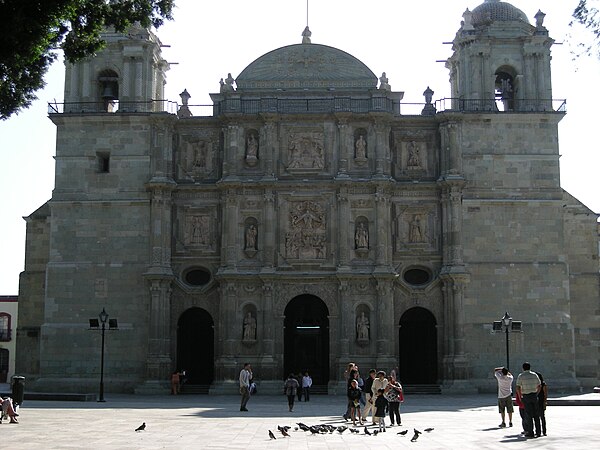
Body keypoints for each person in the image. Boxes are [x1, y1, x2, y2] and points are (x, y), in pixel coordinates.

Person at [516, 362, 541, 438]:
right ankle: (538, 431)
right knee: (536, 414)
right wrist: (536, 393)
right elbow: (539, 385)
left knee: (528, 415)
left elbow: (518, 387)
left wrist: (520, 396)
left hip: (526, 396)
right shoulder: (534, 375)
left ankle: (530, 432)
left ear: (523, 368)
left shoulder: (521, 376)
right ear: (530, 367)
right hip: (534, 395)